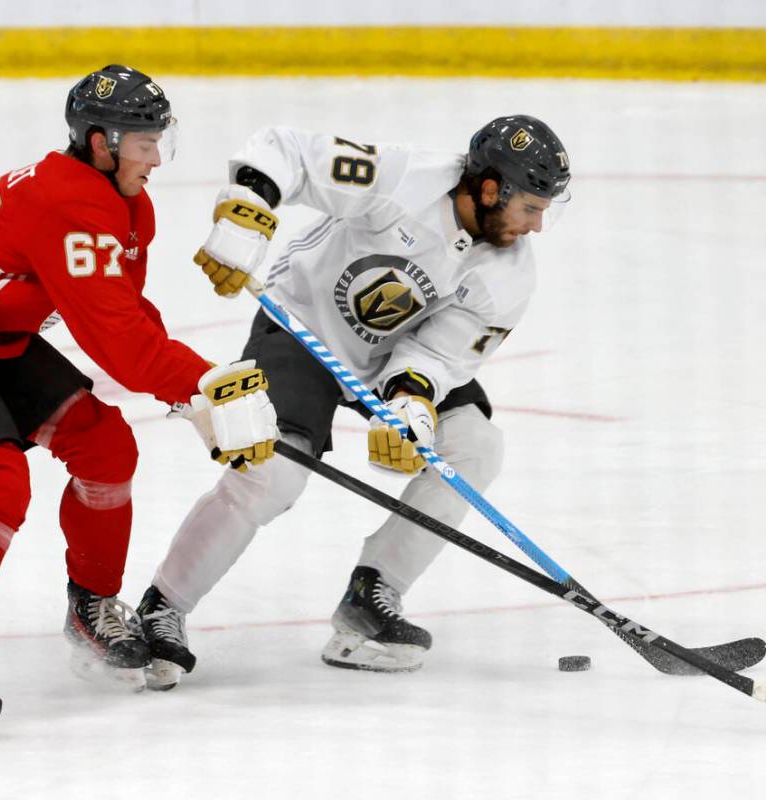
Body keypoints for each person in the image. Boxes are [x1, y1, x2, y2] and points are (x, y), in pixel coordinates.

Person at [0, 64, 278, 740]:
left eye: (160, 140)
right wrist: (203, 387)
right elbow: (117, 345)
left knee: (107, 446)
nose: (156, 158)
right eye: (143, 143)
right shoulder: (70, 204)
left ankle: (92, 610)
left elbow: (127, 314)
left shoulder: (128, 202)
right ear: (100, 141)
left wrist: (195, 394)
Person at [135, 116, 571, 689]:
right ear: (491, 189)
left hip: (391, 358)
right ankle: (162, 606)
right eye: (532, 208)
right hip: (300, 328)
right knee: (273, 474)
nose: (538, 226)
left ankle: (373, 595)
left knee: (476, 447)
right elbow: (287, 148)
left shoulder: (509, 275)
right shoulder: (406, 179)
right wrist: (247, 210)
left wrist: (411, 402)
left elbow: (441, 355)